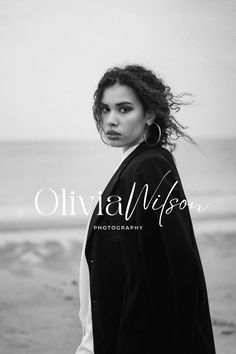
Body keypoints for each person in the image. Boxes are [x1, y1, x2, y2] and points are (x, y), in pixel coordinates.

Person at [75, 64, 216, 354]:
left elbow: (179, 267)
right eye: (105, 110)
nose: (110, 120)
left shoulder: (149, 166)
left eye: (124, 109)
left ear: (149, 114)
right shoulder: (135, 164)